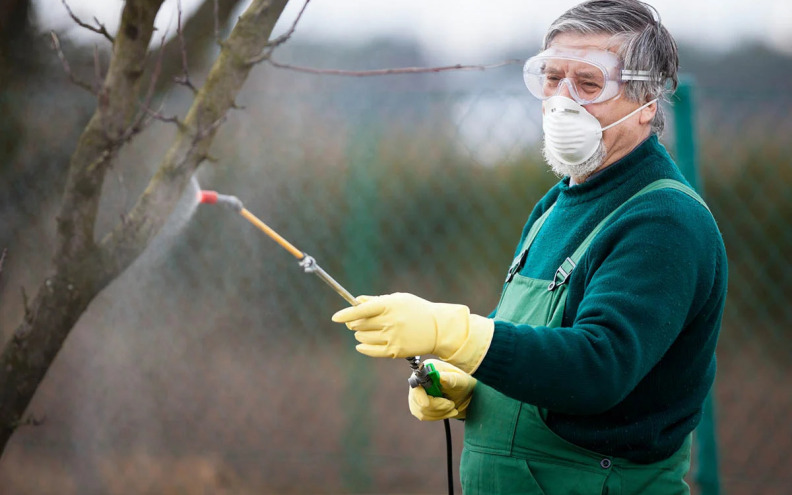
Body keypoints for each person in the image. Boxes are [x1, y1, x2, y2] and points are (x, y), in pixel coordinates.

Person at [332, 1, 728, 493]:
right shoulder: (557, 204)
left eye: (588, 84)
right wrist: (474, 383)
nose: (562, 100)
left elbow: (597, 366)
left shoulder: (664, 222)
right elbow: (529, 341)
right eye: (551, 77)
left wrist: (452, 332)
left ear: (648, 103)